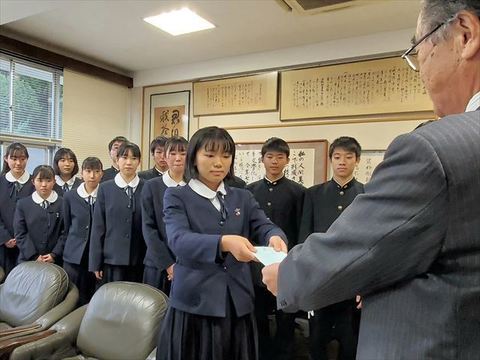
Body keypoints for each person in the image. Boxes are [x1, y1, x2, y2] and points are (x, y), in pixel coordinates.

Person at [262, 1, 480, 359]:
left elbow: (356, 251)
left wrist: (287, 275)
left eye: (419, 53)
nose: (420, 72)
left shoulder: (434, 150)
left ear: (465, 36)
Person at [156, 126, 288, 360]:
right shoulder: (177, 196)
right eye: (210, 155)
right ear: (194, 158)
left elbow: (264, 225)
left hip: (237, 302)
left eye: (226, 156)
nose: (219, 162)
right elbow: (179, 240)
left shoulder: (242, 196)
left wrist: (275, 236)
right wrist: (224, 243)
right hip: (196, 303)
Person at [298, 137, 364, 360]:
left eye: (348, 157)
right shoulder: (314, 194)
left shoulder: (367, 194)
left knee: (351, 344)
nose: (342, 162)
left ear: (357, 160)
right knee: (316, 341)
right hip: (320, 278)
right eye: (337, 157)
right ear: (331, 160)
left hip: (353, 279)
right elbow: (304, 239)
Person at [247, 137, 305, 360]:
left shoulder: (298, 192)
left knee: (286, 318)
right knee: (258, 316)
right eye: (270, 157)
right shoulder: (249, 191)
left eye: (280, 157)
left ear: (288, 160)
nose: (274, 161)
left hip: (286, 266)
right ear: (262, 159)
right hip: (255, 266)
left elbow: (301, 230)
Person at [89, 142, 145, 284]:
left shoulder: (147, 187)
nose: (128, 162)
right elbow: (98, 227)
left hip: (140, 259)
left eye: (133, 158)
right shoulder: (105, 188)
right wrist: (96, 262)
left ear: (139, 161)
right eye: (124, 157)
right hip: (112, 259)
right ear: (117, 160)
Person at [142, 136, 188, 294]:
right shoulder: (151, 186)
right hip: (157, 263)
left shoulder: (195, 186)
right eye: (173, 153)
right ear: (165, 157)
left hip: (189, 264)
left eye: (183, 153)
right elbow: (148, 228)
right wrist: (169, 265)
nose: (178, 158)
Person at [63, 157, 103, 305]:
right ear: (82, 173)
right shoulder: (70, 196)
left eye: (96, 171)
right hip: (74, 257)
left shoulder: (106, 194)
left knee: (94, 298)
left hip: (98, 257)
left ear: (102, 174)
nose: (92, 176)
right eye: (88, 171)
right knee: (73, 297)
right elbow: (66, 227)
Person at [14, 165, 64, 265]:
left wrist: (54, 254)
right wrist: (34, 256)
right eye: (40, 180)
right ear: (33, 182)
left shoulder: (63, 203)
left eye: (48, 180)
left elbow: (66, 232)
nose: (44, 184)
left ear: (54, 182)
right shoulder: (23, 204)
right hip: (27, 260)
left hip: (56, 260)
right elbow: (20, 233)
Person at [0, 143, 35, 275]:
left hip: (29, 244)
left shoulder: (34, 183)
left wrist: (22, 239)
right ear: (6, 159)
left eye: (22, 159)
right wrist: (5, 237)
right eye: (14, 159)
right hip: (3, 244)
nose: (18, 163)